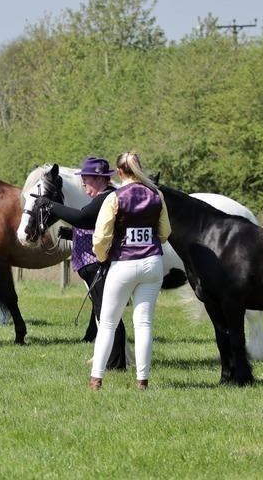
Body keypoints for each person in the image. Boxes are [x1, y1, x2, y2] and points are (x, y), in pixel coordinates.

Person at [89, 152, 171, 391]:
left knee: (107, 324)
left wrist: (102, 256)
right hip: (152, 263)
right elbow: (165, 232)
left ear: (118, 172)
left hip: (123, 263)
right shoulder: (157, 195)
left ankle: (96, 379)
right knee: (144, 323)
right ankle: (142, 381)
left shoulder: (114, 198)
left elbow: (101, 236)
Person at [36, 157, 126, 367]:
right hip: (95, 266)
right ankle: (113, 360)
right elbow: (96, 228)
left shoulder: (106, 197)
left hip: (101, 265)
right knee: (103, 313)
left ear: (99, 179)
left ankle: (116, 363)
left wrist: (51, 205)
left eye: (86, 179)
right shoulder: (102, 197)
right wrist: (72, 234)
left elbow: (84, 218)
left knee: (108, 313)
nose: (83, 183)